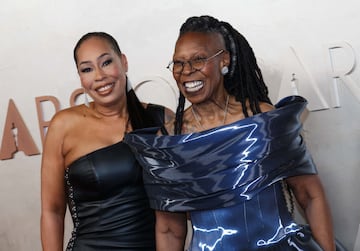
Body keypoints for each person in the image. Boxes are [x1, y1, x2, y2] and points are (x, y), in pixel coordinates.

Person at [124, 15, 336, 250]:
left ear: (224, 60)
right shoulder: (167, 143)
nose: (187, 71)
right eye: (179, 63)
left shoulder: (262, 120)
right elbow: (169, 229)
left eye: (198, 59)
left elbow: (309, 194)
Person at [40, 32, 172, 250]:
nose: (99, 76)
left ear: (124, 62)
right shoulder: (63, 125)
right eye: (87, 69)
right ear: (81, 77)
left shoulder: (162, 119)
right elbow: (52, 211)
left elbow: (185, 200)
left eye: (106, 62)